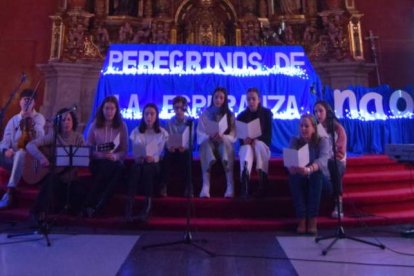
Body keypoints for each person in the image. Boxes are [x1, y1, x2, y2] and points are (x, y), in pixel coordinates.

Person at [26, 108, 85, 221]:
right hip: (56, 177)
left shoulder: (79, 138)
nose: (66, 122)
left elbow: (85, 156)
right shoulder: (53, 136)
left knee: (80, 191)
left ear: (73, 122)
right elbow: (30, 145)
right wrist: (42, 158)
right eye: (63, 120)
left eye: (69, 119)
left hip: (71, 179)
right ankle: (37, 213)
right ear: (58, 122)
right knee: (50, 182)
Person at [0, 89, 46, 209]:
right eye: (24, 100)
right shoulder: (13, 120)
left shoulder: (39, 118)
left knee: (21, 153)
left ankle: (10, 190)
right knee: (16, 153)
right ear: (20, 102)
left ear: (34, 103)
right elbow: (5, 141)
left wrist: (31, 121)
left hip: (31, 159)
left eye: (30, 101)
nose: (26, 103)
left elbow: (40, 138)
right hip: (13, 156)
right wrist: (6, 150)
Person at [84, 95, 128, 217]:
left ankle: (94, 205)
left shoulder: (121, 126)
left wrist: (115, 156)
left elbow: (124, 150)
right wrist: (100, 154)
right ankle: (97, 205)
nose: (109, 112)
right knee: (110, 169)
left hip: (113, 161)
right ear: (102, 110)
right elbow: (89, 148)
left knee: (117, 168)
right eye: (107, 108)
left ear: (116, 110)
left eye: (112, 108)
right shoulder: (94, 125)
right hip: (98, 161)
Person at [287, 114, 329, 235]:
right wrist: (292, 168)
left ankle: (312, 219)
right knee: (293, 177)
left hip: (321, 180)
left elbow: (323, 160)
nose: (303, 129)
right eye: (301, 126)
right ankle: (301, 218)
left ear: (314, 128)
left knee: (317, 175)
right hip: (301, 176)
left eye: (306, 126)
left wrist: (310, 169)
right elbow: (290, 159)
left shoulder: (322, 140)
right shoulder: (295, 140)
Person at [126, 103, 168, 222]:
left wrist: (152, 158)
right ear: (143, 116)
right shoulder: (136, 131)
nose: (149, 117)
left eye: (152, 114)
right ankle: (129, 206)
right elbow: (135, 150)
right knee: (135, 168)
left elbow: (160, 154)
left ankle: (147, 207)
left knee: (149, 168)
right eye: (146, 114)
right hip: (140, 162)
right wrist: (139, 157)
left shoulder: (162, 132)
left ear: (156, 116)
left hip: (154, 164)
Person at [197, 87, 236, 198]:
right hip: (209, 142)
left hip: (223, 143)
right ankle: (205, 185)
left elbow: (233, 135)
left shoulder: (230, 115)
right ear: (212, 98)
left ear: (225, 100)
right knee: (204, 145)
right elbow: (200, 133)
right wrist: (208, 136)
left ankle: (230, 184)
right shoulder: (205, 114)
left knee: (225, 143)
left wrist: (223, 136)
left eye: (221, 98)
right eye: (216, 97)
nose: (218, 100)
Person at [313, 100, 347, 218]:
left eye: (320, 111)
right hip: (322, 160)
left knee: (334, 165)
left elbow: (340, 153)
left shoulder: (338, 128)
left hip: (336, 161)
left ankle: (339, 203)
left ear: (327, 111)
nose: (318, 114)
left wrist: (327, 156)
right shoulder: (315, 128)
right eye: (316, 111)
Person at [237, 88, 273, 197]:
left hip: (261, 146)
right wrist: (245, 140)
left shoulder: (267, 113)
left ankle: (262, 181)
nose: (251, 102)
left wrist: (255, 140)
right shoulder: (241, 116)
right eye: (248, 99)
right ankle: (245, 183)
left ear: (259, 100)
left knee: (258, 144)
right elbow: (240, 138)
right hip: (248, 147)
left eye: (253, 99)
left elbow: (268, 137)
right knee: (246, 148)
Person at [160, 96, 194, 197]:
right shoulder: (169, 122)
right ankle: (163, 185)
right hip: (172, 150)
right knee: (166, 156)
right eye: (176, 108)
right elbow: (166, 138)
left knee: (187, 156)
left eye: (181, 107)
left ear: (185, 108)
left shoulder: (190, 122)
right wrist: (169, 146)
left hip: (184, 150)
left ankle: (189, 187)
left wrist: (185, 147)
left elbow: (191, 140)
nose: (178, 110)